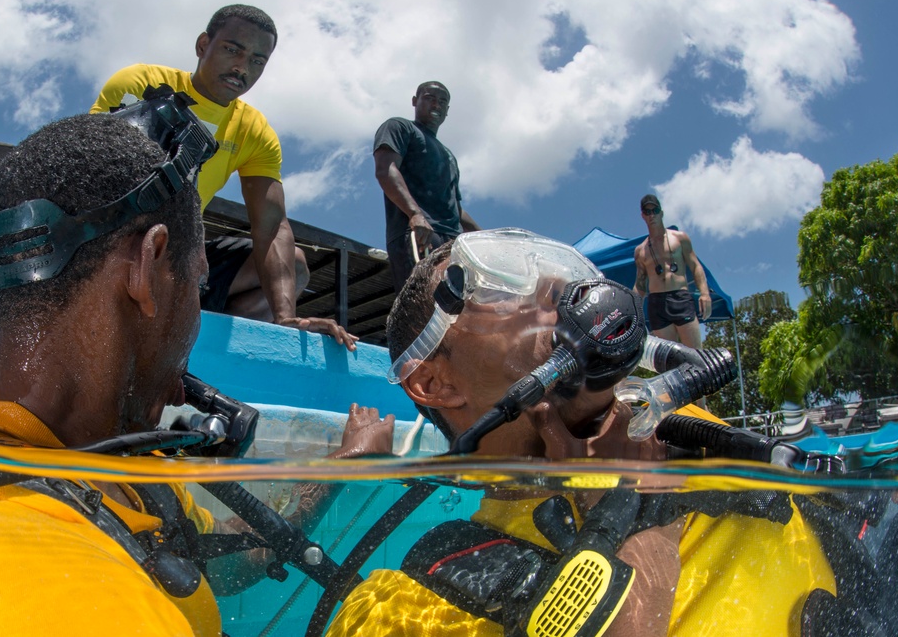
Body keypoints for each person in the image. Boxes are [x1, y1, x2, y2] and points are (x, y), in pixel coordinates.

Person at [0, 111, 391, 636]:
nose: (193, 320)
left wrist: (342, 465)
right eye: (196, 287)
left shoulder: (119, 471)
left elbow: (225, 562)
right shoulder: (72, 607)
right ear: (146, 268)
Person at [327, 230, 836, 637]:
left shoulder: (686, 425)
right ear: (436, 382)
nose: (557, 291)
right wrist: (634, 510)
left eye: (556, 281)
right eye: (500, 289)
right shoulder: (399, 609)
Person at [91, 4, 358, 350]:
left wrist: (285, 319)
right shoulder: (139, 84)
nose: (242, 67)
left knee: (295, 265)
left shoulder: (254, 131)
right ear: (203, 45)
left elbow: (272, 226)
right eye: (233, 49)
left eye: (258, 61)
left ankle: (200, 346)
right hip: (109, 249)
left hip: (179, 261)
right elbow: (88, 177)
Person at [374, 81, 481, 293]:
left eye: (442, 102)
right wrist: (415, 214)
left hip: (454, 242)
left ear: (447, 111)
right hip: (419, 233)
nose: (436, 105)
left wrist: (485, 237)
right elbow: (386, 170)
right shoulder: (400, 127)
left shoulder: (449, 155)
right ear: (415, 101)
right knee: (422, 301)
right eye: (430, 98)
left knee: (458, 306)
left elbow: (455, 208)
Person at [633, 194, 712, 350]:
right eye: (647, 212)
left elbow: (695, 266)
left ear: (661, 212)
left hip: (680, 298)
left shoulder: (679, 238)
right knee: (669, 361)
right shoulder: (640, 250)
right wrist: (630, 311)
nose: (651, 215)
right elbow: (640, 285)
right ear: (643, 216)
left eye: (654, 210)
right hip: (656, 303)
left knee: (695, 356)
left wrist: (704, 294)